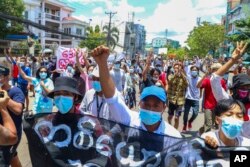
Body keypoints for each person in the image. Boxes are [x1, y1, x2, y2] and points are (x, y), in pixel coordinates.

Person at [90, 45, 182, 137]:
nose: (150, 109)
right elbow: (112, 99)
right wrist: (102, 64)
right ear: (139, 104)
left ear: (164, 108)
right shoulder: (130, 120)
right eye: (146, 104)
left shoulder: (173, 136)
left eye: (156, 105)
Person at [209, 41, 250, 139]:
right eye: (242, 87)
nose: (245, 90)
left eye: (248, 88)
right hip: (225, 148)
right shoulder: (226, 101)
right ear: (235, 88)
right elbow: (214, 80)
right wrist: (232, 60)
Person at [0, 65, 25, 167]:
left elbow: (18, 110)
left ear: (7, 77)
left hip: (11, 134)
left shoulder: (16, 91)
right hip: (1, 132)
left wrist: (5, 97)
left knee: (4, 159)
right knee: (12, 156)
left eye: (1, 76)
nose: (0, 79)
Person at [196, 63, 227, 133]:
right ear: (212, 71)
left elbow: (224, 94)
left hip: (217, 107)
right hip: (208, 106)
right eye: (215, 70)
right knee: (209, 125)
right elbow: (198, 86)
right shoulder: (207, 80)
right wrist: (204, 76)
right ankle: (205, 141)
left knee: (210, 124)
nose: (217, 72)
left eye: (219, 70)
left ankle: (201, 131)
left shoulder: (222, 81)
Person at [167, 63, 188, 129]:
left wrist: (182, 74)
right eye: (175, 67)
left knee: (176, 118)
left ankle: (175, 131)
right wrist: (176, 74)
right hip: (172, 100)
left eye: (178, 68)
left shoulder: (183, 77)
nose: (177, 69)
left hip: (180, 101)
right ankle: (170, 126)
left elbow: (187, 84)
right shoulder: (170, 75)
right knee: (170, 116)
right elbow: (170, 81)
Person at [182, 65, 201, 132]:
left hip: (196, 99)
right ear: (190, 71)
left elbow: (200, 86)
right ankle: (184, 125)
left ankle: (190, 121)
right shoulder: (188, 77)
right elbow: (183, 73)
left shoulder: (199, 79)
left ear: (198, 71)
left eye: (195, 70)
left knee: (195, 113)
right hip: (188, 98)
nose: (194, 71)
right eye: (193, 70)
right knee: (185, 114)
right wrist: (181, 65)